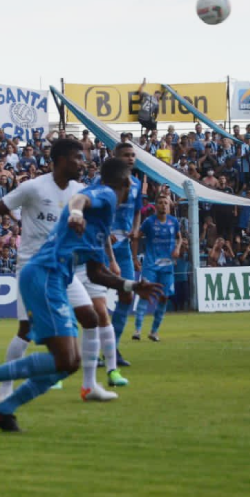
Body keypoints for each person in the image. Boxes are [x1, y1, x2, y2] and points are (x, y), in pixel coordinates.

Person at [0, 158, 162, 431]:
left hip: (57, 277)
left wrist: (130, 285)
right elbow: (79, 199)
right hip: (44, 274)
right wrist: (77, 214)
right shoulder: (103, 193)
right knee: (64, 357)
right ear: (127, 183)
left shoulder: (104, 220)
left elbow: (95, 273)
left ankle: (3, 410)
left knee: (67, 363)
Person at [0, 139, 118, 403]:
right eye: (77, 158)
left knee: (91, 318)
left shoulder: (80, 190)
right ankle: (4, 388)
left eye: (83, 158)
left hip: (62, 268)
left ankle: (89, 386)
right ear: (60, 160)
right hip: (33, 268)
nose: (83, 163)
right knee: (26, 329)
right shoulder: (33, 187)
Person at [110, 142, 144, 366]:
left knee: (127, 295)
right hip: (101, 246)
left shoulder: (137, 184)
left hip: (122, 246)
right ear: (115, 157)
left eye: (133, 155)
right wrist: (104, 232)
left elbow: (137, 211)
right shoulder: (102, 181)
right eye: (126, 155)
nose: (131, 159)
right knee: (93, 302)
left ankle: (112, 348)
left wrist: (135, 227)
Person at [132, 196, 181, 342]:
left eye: (166, 203)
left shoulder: (174, 222)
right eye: (160, 203)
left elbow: (179, 237)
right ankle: (137, 330)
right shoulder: (149, 222)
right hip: (150, 266)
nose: (163, 205)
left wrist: (177, 248)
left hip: (167, 266)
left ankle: (154, 331)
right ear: (156, 206)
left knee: (164, 297)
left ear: (169, 206)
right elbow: (136, 237)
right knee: (145, 295)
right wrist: (135, 258)